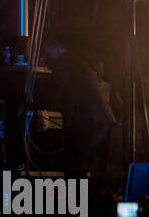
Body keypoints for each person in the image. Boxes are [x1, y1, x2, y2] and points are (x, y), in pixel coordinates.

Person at [40, 38, 117, 183]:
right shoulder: (73, 62)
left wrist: (32, 103)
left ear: (54, 48)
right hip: (99, 120)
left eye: (45, 50)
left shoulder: (63, 65)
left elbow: (52, 95)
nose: (44, 55)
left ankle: (77, 201)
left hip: (90, 123)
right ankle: (85, 199)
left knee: (75, 166)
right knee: (88, 169)